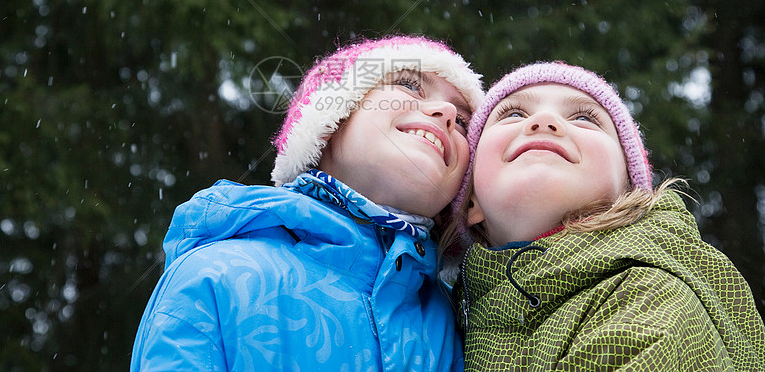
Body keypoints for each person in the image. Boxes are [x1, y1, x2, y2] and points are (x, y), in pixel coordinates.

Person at [130, 35, 484, 371]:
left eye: (465, 122)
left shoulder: (465, 324)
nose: (445, 113)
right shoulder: (214, 277)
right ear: (327, 122)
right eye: (408, 84)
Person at [442, 61, 765, 371]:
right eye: (513, 113)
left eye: (584, 118)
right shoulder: (444, 318)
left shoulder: (645, 294)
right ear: (471, 203)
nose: (543, 120)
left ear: (627, 193)